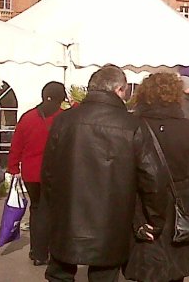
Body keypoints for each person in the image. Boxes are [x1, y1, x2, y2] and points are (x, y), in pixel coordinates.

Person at [42, 65, 167, 282]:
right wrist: (154, 219)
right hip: (111, 222)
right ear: (119, 90)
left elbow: (48, 172)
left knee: (60, 273)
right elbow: (152, 178)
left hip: (67, 216)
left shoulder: (64, 120)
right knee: (104, 275)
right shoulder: (132, 125)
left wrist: (52, 208)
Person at [123, 72, 189, 282]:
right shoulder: (187, 127)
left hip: (143, 205)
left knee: (148, 269)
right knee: (176, 271)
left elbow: (127, 172)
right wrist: (188, 196)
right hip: (180, 205)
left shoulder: (134, 125)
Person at [7, 81, 66, 265]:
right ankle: (47, 251)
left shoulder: (28, 117)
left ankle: (36, 251)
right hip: (54, 173)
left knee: (36, 209)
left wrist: (13, 167)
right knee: (52, 212)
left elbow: (17, 144)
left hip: (31, 173)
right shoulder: (63, 118)